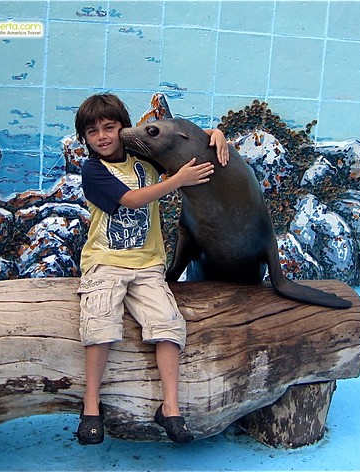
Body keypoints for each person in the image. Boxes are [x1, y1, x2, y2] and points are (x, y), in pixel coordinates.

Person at [74, 93, 228, 445]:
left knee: (168, 326)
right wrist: (178, 181)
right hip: (105, 263)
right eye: (92, 131)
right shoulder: (94, 170)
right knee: (100, 326)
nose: (102, 136)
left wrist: (215, 134)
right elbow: (131, 200)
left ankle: (170, 408)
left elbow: (179, 143)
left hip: (147, 266)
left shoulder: (144, 159)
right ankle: (91, 405)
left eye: (109, 128)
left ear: (123, 128)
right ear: (84, 138)